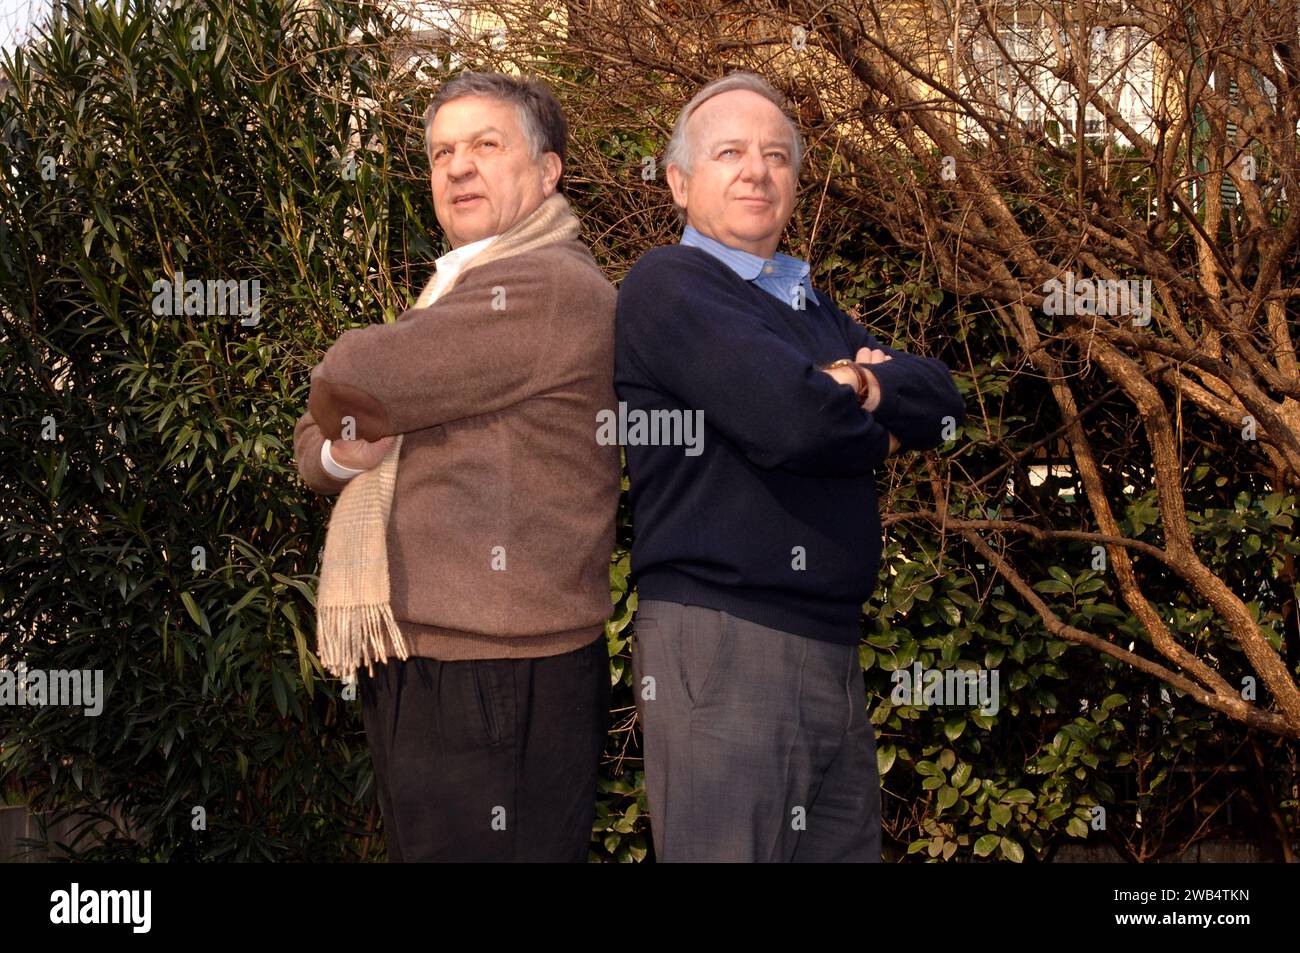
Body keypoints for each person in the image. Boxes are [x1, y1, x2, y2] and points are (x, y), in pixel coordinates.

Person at [615, 71, 965, 862]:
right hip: (724, 642)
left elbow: (943, 404)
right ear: (678, 181)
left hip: (832, 648)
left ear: (798, 184)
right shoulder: (669, 285)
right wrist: (859, 405)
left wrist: (861, 384)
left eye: (777, 155)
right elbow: (791, 421)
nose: (757, 170)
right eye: (730, 152)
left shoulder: (808, 306)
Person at [292, 71, 620, 861]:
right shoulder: (461, 289)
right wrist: (341, 446)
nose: (457, 167)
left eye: (485, 144)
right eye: (441, 152)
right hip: (436, 661)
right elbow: (316, 438)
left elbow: (355, 373)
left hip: (496, 676)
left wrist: (345, 392)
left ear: (547, 173)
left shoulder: (544, 288)